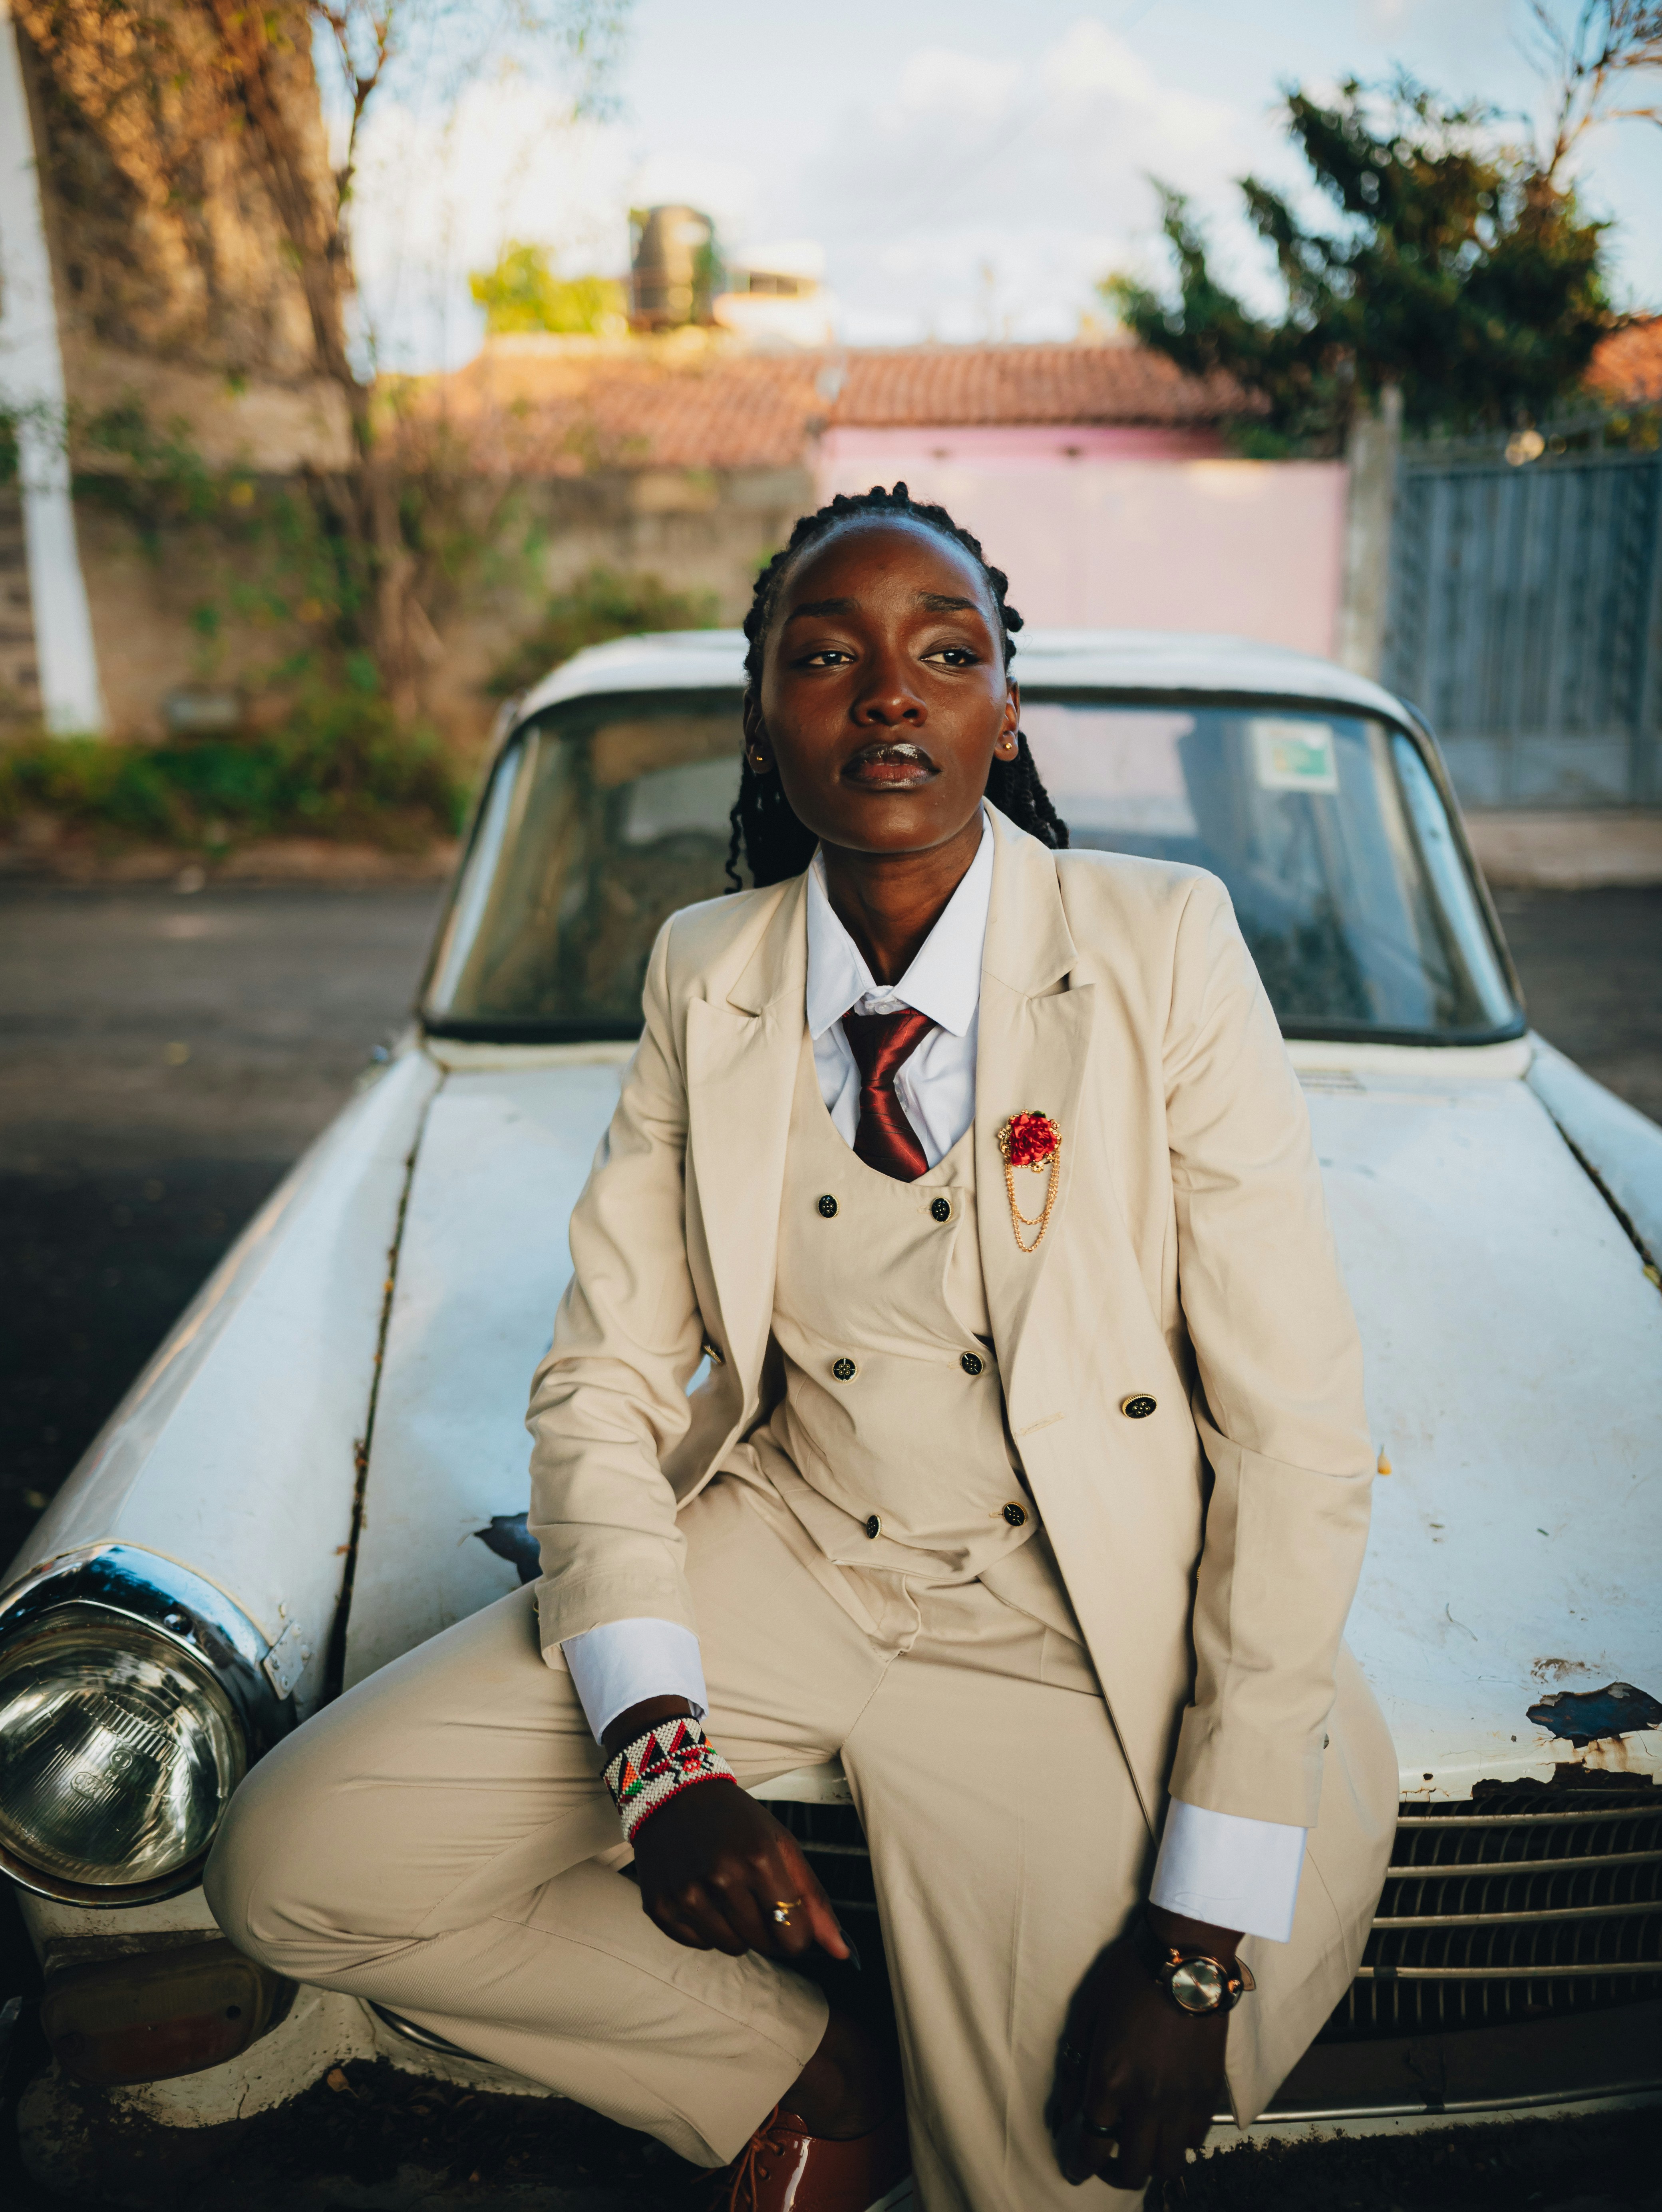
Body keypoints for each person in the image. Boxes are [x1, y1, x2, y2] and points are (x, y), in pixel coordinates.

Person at [206, 485, 1398, 2211]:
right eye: (825, 654)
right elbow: (603, 1382)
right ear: (764, 714)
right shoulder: (709, 967)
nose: (889, 694)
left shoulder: (1158, 945)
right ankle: (796, 2068)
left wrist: (1196, 1942)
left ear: (1005, 707)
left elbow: (1295, 1429)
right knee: (300, 1864)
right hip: (790, 1541)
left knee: (1043, 2171)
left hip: (1056, 1609)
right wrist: (662, 1754)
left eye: (945, 652)